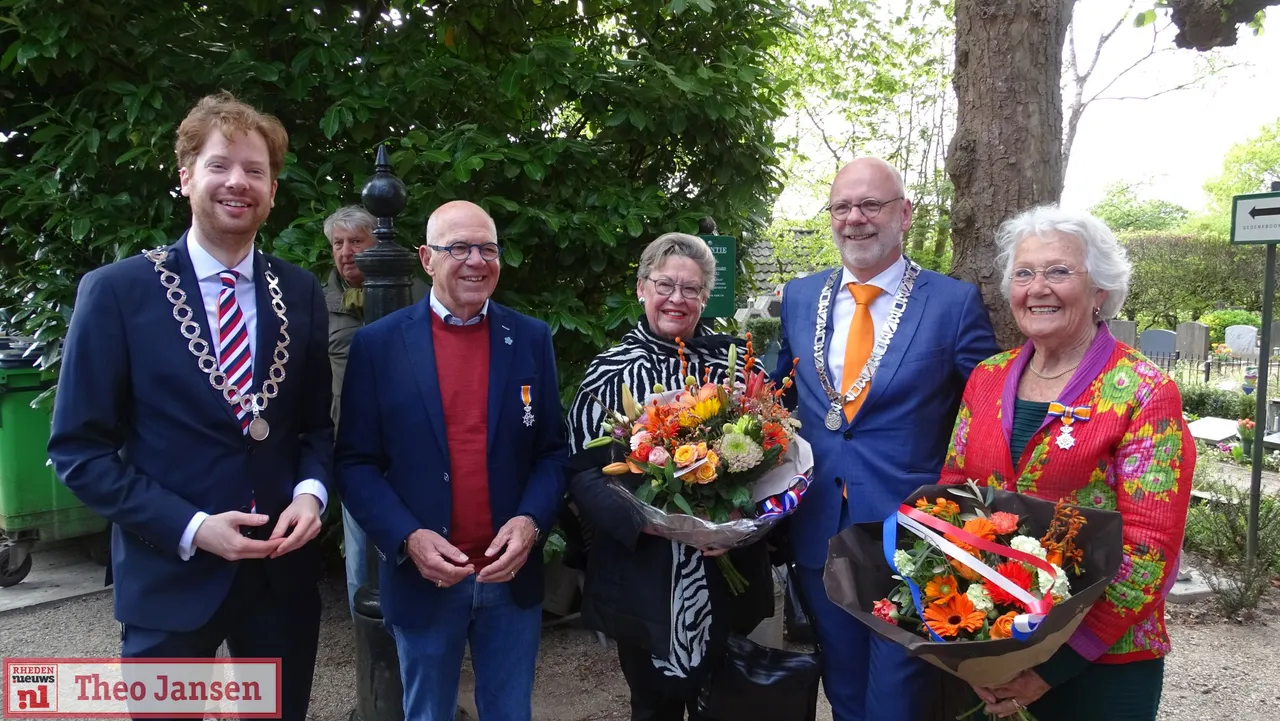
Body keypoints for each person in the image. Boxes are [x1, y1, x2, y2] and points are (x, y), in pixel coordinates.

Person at [47, 92, 332, 721]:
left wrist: (312, 493)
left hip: (279, 587)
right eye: (220, 165)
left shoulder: (301, 291)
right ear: (185, 178)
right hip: (167, 580)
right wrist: (192, 526)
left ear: (273, 189)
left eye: (256, 171)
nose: (238, 182)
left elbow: (314, 427)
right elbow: (79, 453)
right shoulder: (118, 292)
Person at [938, 205, 1194, 721]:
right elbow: (952, 495)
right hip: (992, 640)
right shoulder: (986, 377)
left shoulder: (1145, 391)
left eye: (1058, 271)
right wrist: (966, 630)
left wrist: (1047, 671)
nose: (1038, 288)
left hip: (1104, 659)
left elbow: (1149, 550)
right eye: (1024, 273)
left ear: (1100, 289)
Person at [772, 157, 999, 720]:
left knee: (900, 695)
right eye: (843, 206)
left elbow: (987, 412)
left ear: (905, 213)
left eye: (870, 205)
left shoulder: (952, 302)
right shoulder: (800, 297)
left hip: (911, 530)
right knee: (843, 685)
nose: (856, 219)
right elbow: (777, 398)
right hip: (820, 522)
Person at [334, 200, 569, 721]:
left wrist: (530, 523)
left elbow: (553, 451)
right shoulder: (379, 345)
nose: (475, 260)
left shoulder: (530, 338)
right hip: (426, 578)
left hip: (508, 578)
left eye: (488, 248)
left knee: (510, 712)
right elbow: (354, 463)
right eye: (458, 247)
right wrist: (407, 538)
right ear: (426, 258)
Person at [566, 232, 775, 721]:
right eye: (665, 285)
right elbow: (580, 470)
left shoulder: (738, 372)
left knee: (726, 703)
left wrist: (740, 525)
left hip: (728, 571)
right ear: (642, 288)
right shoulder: (608, 374)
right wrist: (646, 520)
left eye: (692, 289)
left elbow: (777, 466)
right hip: (644, 572)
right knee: (653, 706)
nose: (677, 299)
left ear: (706, 298)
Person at [320, 204, 426, 617]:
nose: (346, 251)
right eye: (338, 243)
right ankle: (371, 646)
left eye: (356, 241)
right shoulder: (316, 302)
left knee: (419, 538)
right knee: (361, 550)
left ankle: (419, 637)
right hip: (353, 445)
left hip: (414, 443)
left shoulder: (417, 292)